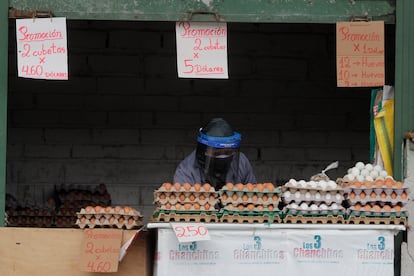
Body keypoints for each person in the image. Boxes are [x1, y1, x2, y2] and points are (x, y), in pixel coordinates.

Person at [173, 118, 256, 190]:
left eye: (227, 152)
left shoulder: (242, 162)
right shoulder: (186, 170)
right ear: (203, 152)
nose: (223, 157)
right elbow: (183, 203)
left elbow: (252, 194)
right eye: (216, 153)